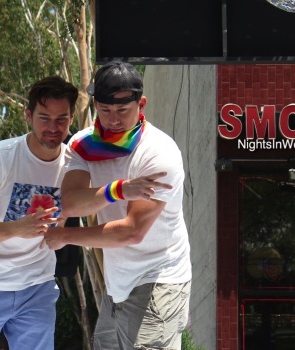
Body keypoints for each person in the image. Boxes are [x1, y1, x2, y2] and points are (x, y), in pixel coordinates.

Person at [44, 61, 192, 349]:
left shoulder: (158, 154)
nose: (113, 119)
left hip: (160, 276)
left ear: (141, 104)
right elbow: (71, 203)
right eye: (105, 110)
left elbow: (132, 231)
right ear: (95, 105)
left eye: (123, 110)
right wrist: (119, 190)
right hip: (118, 281)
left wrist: (65, 236)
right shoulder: (84, 145)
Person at [0, 76, 78, 350]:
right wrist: (16, 228)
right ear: (28, 116)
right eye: (44, 118)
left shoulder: (75, 166)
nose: (53, 128)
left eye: (61, 119)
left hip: (37, 287)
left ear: (71, 119)